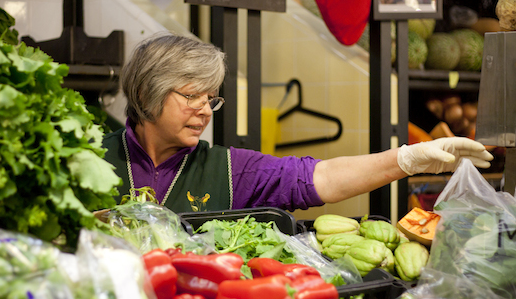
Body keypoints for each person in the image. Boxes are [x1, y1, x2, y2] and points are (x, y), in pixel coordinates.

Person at [102, 33, 493, 213]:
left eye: (211, 100)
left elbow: (317, 178)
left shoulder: (228, 168)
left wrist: (407, 159)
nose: (205, 111)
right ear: (147, 92)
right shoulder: (91, 159)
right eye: (191, 97)